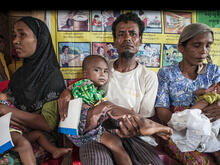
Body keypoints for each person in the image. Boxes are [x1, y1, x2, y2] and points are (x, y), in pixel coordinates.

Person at [58, 12, 173, 165]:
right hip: (96, 132)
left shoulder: (148, 77)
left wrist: (132, 128)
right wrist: (66, 93)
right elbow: (80, 87)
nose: (127, 38)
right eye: (121, 34)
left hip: (133, 133)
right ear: (114, 41)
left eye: (133, 34)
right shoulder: (102, 69)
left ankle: (147, 126)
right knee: (98, 161)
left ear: (140, 40)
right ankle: (148, 126)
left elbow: (144, 115)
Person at [0, 16, 69, 164]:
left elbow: (47, 124)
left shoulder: (52, 76)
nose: (15, 41)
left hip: (41, 140)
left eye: (22, 34)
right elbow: (9, 100)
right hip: (13, 132)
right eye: (14, 36)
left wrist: (7, 111)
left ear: (39, 39)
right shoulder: (19, 74)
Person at [155, 23, 220, 165]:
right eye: (197, 45)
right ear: (181, 48)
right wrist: (181, 123)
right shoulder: (166, 73)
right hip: (177, 130)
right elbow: (162, 110)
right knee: (199, 162)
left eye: (208, 45)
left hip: (209, 126)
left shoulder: (214, 71)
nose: (204, 51)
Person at [0, 92, 72, 165]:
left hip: (17, 131)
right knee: (23, 144)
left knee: (37, 134)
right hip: (6, 131)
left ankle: (54, 151)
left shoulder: (4, 99)